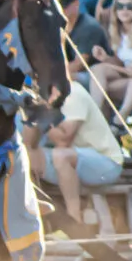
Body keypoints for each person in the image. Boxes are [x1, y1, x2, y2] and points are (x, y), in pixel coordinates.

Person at [40, 76, 125, 232]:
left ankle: (74, 219)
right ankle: (39, 223)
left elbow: (64, 140)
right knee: (24, 156)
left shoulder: (73, 94)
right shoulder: (37, 98)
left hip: (106, 164)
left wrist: (39, 115)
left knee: (61, 155)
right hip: (72, 162)